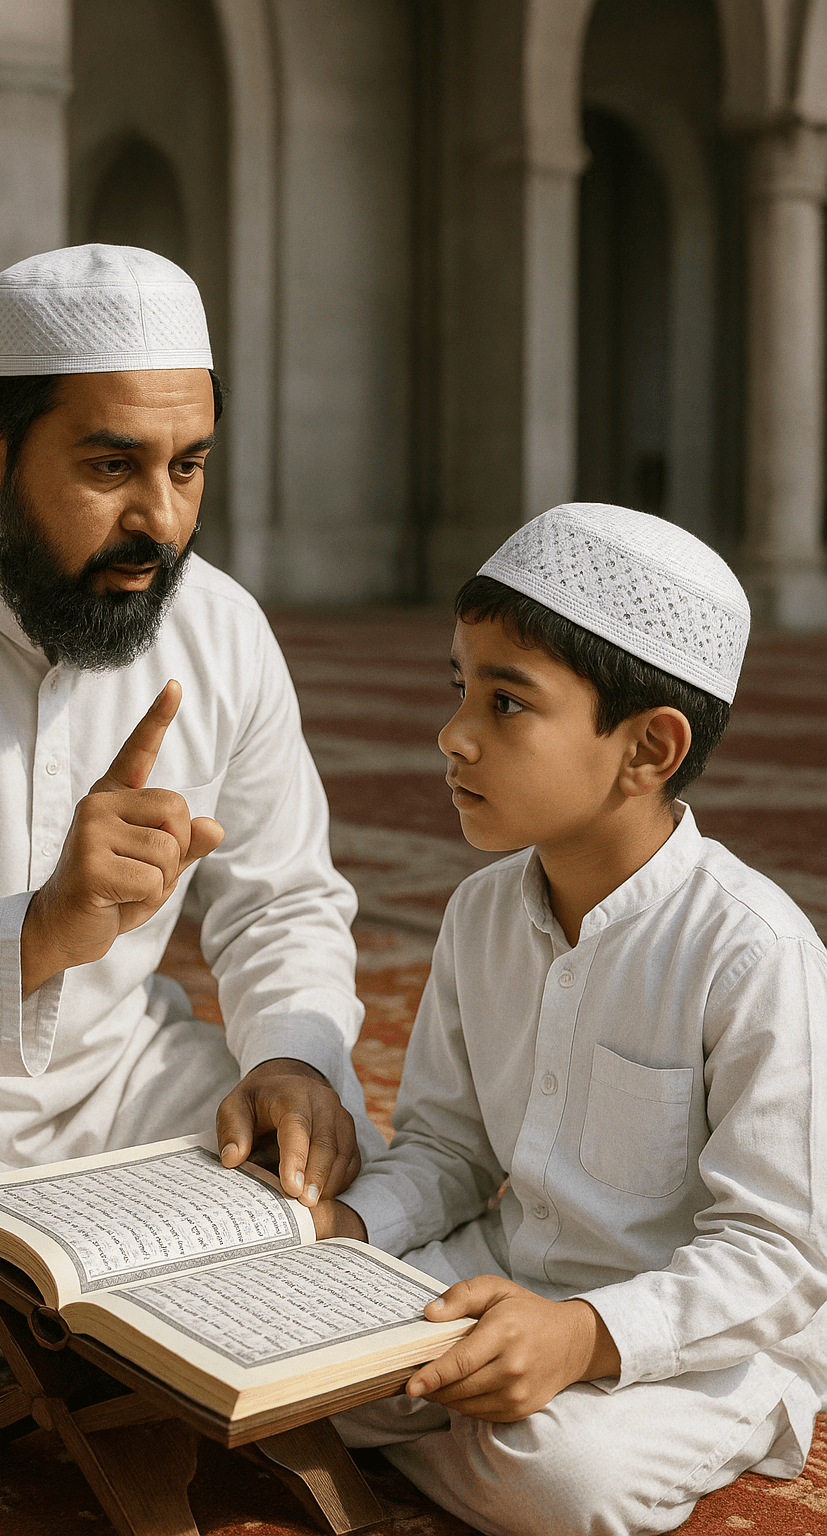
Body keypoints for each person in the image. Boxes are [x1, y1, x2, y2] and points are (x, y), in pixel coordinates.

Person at [0, 244, 381, 1390]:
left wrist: (292, 1054)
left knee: (339, 1185)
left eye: (189, 466)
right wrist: (36, 936)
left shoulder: (219, 628)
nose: (159, 521)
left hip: (121, 1079)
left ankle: (105, 1298)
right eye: (113, 465)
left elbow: (285, 902)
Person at [313, 503, 827, 1536]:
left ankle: (402, 1423)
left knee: (558, 1478)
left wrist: (585, 1335)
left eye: (506, 703)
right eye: (459, 687)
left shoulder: (749, 953)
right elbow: (449, 1152)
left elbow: (777, 1254)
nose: (452, 735)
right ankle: (407, 1405)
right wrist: (347, 1228)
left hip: (699, 1339)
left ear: (647, 748)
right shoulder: (480, 913)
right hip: (498, 1278)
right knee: (277, 1338)